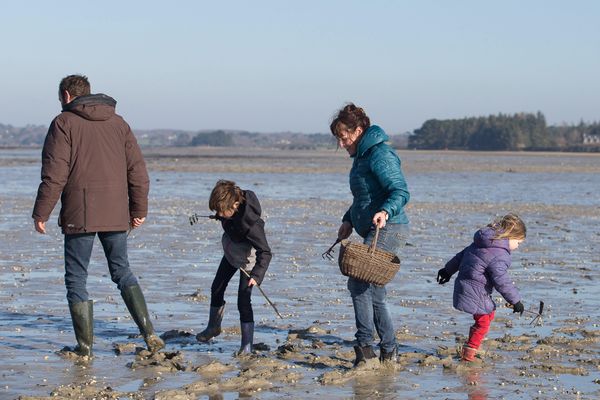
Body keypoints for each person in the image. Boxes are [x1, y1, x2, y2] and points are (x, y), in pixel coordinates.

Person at [32, 74, 164, 356]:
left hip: (79, 214)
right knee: (122, 271)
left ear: (66, 96)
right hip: (116, 213)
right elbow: (138, 172)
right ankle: (150, 334)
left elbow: (55, 174)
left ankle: (85, 348)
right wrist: (139, 209)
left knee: (77, 278)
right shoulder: (119, 123)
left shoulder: (63, 122)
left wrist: (40, 212)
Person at [330, 103, 410, 366]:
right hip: (371, 227)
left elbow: (400, 191)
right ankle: (388, 350)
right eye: (338, 140)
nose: (341, 145)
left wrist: (385, 211)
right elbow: (363, 198)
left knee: (359, 283)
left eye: (344, 138)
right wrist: (348, 220)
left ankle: (365, 347)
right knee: (374, 292)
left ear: (359, 130)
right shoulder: (362, 157)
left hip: (389, 228)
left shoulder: (380, 155)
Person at [437, 214, 526, 362]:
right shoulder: (500, 254)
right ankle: (469, 353)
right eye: (518, 242)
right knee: (483, 322)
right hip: (476, 290)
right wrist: (515, 300)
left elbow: (460, 256)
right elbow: (501, 280)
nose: (517, 246)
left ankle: (470, 346)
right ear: (509, 236)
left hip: (464, 285)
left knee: (488, 314)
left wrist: (447, 271)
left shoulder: (482, 242)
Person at [196, 180, 272, 354]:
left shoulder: (253, 226)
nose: (220, 214)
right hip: (232, 252)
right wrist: (219, 216)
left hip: (249, 261)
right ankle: (213, 327)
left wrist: (257, 276)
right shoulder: (228, 208)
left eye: (222, 211)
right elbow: (226, 216)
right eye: (217, 211)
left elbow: (266, 252)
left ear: (236, 205)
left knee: (243, 300)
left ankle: (247, 345)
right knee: (217, 287)